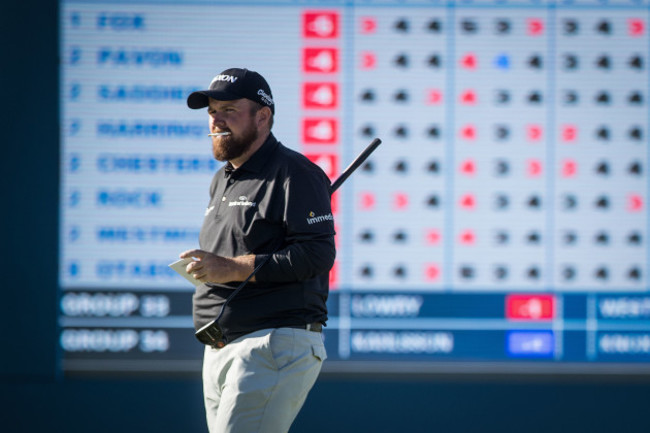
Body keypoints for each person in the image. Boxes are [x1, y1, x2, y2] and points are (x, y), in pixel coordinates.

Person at [179, 67, 335, 433]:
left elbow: (316, 255)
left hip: (270, 343)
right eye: (212, 111)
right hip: (221, 347)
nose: (216, 120)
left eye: (229, 110)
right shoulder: (223, 179)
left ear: (262, 117)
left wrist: (232, 268)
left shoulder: (296, 173)